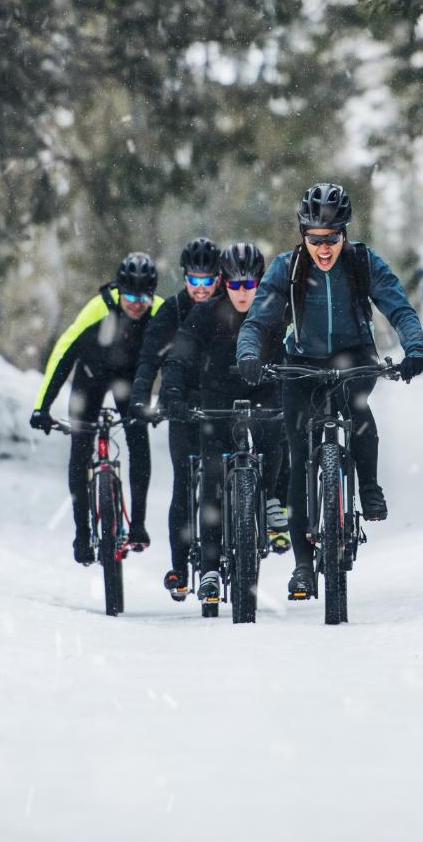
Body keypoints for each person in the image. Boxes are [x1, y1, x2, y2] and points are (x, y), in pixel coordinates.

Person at [236, 182, 423, 600]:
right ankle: (303, 566)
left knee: (356, 406)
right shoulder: (287, 268)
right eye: (315, 240)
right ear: (303, 235)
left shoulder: (362, 262)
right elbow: (257, 320)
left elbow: (398, 306)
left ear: (345, 233)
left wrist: (415, 348)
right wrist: (249, 353)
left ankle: (369, 485)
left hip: (354, 355)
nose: (324, 249)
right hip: (302, 361)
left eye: (333, 238)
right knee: (297, 449)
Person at [160, 241, 288, 609]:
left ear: (261, 283)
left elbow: (294, 354)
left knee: (274, 436)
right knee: (213, 475)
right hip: (215, 401)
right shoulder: (205, 313)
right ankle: (212, 569)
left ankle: (269, 500)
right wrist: (172, 392)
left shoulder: (274, 312)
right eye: (234, 285)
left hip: (262, 394)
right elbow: (179, 356)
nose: (242, 293)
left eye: (250, 285)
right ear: (223, 284)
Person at [29, 252, 161, 564]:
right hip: (91, 378)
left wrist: (172, 400)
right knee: (80, 447)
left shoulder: (160, 311)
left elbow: (181, 355)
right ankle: (82, 533)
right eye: (130, 295)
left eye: (144, 296)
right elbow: (64, 353)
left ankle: (137, 526)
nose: (137, 303)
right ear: (119, 290)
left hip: (131, 380)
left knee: (138, 438)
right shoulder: (98, 308)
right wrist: (41, 407)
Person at [127, 236, 223, 600]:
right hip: (180, 401)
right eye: (194, 281)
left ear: (218, 278)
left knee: (218, 480)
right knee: (183, 481)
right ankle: (180, 568)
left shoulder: (226, 308)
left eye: (208, 280)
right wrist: (140, 395)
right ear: (184, 278)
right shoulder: (171, 311)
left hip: (217, 402)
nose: (201, 288)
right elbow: (150, 358)